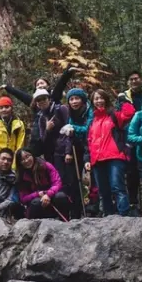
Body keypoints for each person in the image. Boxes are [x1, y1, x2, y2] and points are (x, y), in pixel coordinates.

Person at [85, 90, 135, 217]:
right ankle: (109, 216)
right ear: (92, 102)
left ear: (106, 99)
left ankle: (124, 214)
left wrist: (124, 100)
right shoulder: (92, 121)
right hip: (97, 159)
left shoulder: (114, 115)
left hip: (115, 156)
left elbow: (129, 113)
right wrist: (88, 159)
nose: (99, 101)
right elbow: (89, 141)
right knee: (103, 191)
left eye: (101, 98)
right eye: (96, 99)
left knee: (117, 187)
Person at [59, 87, 94, 219]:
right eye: (71, 99)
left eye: (77, 98)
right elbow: (69, 135)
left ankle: (91, 208)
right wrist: (68, 152)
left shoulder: (90, 111)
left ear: (83, 99)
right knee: (74, 180)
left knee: (89, 180)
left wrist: (74, 128)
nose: (74, 102)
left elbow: (88, 129)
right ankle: (76, 211)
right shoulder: (70, 114)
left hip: (90, 147)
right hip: (76, 148)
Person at [15, 148, 69, 220]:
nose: (26, 161)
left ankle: (64, 221)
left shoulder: (45, 165)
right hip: (36, 204)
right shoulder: (21, 176)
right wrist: (37, 194)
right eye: (22, 160)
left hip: (52, 198)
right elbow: (23, 198)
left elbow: (57, 183)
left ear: (33, 155)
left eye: (27, 156)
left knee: (60, 196)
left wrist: (48, 194)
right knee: (36, 202)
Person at [118, 71, 142, 214]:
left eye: (136, 78)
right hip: (129, 138)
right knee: (131, 172)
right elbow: (119, 117)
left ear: (141, 80)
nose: (134, 81)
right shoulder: (123, 97)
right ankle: (133, 202)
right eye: (131, 79)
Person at [0, 66, 76, 109]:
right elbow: (20, 94)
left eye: (42, 83)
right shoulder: (34, 101)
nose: (40, 85)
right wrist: (6, 87)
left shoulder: (54, 95)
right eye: (37, 85)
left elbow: (60, 84)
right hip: (39, 134)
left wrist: (68, 73)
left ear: (48, 85)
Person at [0, 97, 26, 169]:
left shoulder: (19, 124)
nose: (4, 110)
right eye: (1, 107)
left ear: (11, 108)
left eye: (7, 107)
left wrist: (13, 166)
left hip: (11, 162)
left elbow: (20, 147)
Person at [29, 88, 69, 162]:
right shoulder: (41, 118)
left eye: (44, 98)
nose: (41, 101)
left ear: (49, 99)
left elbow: (70, 129)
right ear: (36, 103)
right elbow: (43, 140)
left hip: (66, 152)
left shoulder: (61, 109)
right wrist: (47, 129)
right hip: (52, 155)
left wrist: (68, 152)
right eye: (38, 100)